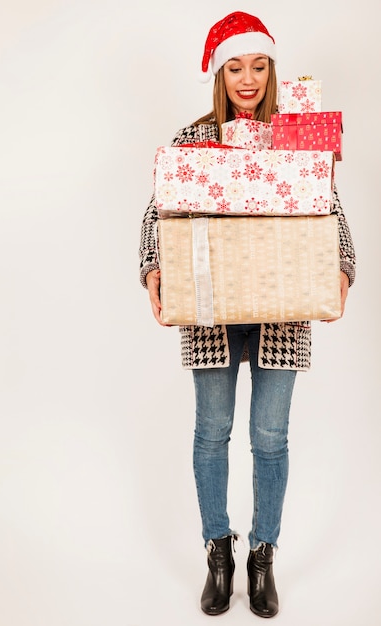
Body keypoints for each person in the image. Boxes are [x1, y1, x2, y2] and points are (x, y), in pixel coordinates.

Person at [138, 11, 356, 618]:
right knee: (212, 433)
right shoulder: (191, 141)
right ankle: (218, 552)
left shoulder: (297, 139)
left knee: (270, 438)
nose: (248, 79)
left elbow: (330, 211)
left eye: (258, 66)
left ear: (271, 70)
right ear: (219, 73)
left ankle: (263, 557)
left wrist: (341, 268)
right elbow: (155, 216)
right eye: (236, 67)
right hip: (209, 309)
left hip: (282, 310)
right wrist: (154, 271)